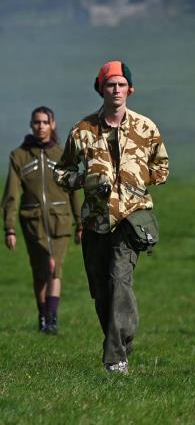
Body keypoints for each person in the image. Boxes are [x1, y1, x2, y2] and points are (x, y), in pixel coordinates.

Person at [54, 61, 169, 374]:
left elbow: (162, 168)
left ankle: (115, 357)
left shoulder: (147, 128)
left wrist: (136, 177)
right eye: (110, 85)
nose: (116, 90)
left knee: (120, 281)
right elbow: (61, 173)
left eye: (121, 85)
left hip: (130, 220)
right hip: (94, 221)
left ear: (129, 89)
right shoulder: (82, 131)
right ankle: (121, 342)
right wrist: (85, 181)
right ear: (100, 89)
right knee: (101, 292)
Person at [3, 106, 82, 334]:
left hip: (61, 221)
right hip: (32, 223)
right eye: (36, 122)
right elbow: (11, 194)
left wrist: (81, 223)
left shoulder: (63, 156)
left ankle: (52, 318)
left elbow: (73, 191)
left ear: (53, 125)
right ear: (31, 125)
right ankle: (42, 314)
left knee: (54, 267)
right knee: (41, 271)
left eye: (45, 122)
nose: (40, 126)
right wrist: (9, 228)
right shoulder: (19, 156)